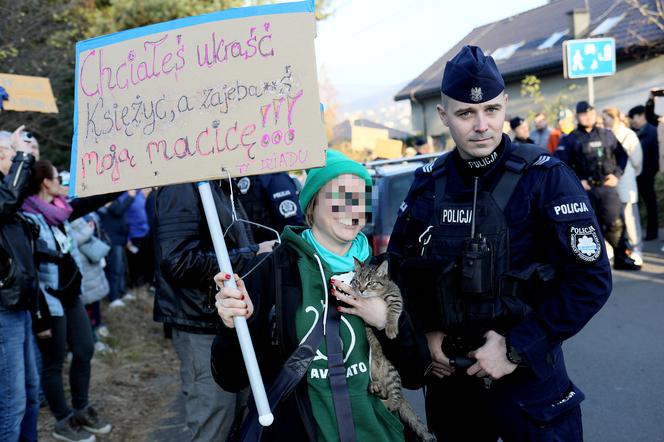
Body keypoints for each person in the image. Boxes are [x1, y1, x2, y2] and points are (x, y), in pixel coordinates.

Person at [387, 45, 612, 441]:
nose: (481, 125)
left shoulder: (545, 178)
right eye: (465, 113)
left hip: (529, 390)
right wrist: (423, 336)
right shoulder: (428, 183)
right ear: (443, 116)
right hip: (451, 389)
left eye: (491, 110)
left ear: (505, 104)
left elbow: (590, 280)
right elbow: (398, 274)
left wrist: (514, 348)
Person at [212, 149, 430, 441]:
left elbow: (416, 373)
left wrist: (385, 321)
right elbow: (230, 377)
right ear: (312, 204)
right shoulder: (273, 271)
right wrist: (233, 325)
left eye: (360, 197)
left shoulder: (385, 270)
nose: (352, 207)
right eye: (339, 196)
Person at [153, 180, 273, 442]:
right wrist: (253, 253)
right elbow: (176, 261)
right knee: (214, 422)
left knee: (239, 417)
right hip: (201, 323)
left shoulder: (222, 184)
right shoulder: (182, 186)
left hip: (229, 322)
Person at [22, 160, 114, 442]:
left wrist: (121, 186)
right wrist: (39, 317)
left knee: (85, 349)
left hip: (71, 296)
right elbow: (30, 269)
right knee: (54, 361)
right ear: (45, 183)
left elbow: (92, 200)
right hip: (49, 301)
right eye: (57, 179)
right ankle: (63, 420)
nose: (63, 183)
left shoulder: (59, 211)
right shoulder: (28, 218)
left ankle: (81, 407)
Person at [556, 101, 640, 270]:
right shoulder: (570, 139)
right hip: (584, 191)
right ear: (578, 116)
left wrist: (616, 175)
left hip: (607, 188)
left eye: (591, 113)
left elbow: (622, 156)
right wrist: (577, 181)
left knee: (615, 224)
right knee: (588, 228)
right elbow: (560, 165)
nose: (589, 117)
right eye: (585, 114)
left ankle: (621, 258)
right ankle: (593, 265)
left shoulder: (606, 134)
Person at [0, 126, 40, 442]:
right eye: (7, 155)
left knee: (29, 393)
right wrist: (22, 158)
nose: (14, 161)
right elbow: (6, 200)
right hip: (3, 310)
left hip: (19, 305)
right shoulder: (5, 198)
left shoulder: (11, 197)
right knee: (10, 404)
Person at [602, 108, 644, 265]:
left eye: (607, 118)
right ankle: (615, 248)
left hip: (626, 183)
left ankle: (636, 249)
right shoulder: (605, 136)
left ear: (615, 118)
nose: (604, 121)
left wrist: (629, 174)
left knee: (630, 218)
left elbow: (637, 161)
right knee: (612, 219)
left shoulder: (628, 134)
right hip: (611, 187)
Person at [235, 172, 305, 243]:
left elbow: (293, 225)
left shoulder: (274, 177)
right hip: (255, 247)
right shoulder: (239, 179)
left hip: (278, 246)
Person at [98, 191, 136, 307]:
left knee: (121, 268)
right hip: (113, 241)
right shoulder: (105, 198)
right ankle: (113, 297)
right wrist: (130, 197)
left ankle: (122, 292)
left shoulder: (116, 198)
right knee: (115, 269)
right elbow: (119, 210)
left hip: (120, 239)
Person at [628, 104, 660, 241]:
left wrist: (650, 172)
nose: (632, 121)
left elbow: (656, 155)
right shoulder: (632, 132)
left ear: (642, 115)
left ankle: (652, 232)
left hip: (647, 175)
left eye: (633, 118)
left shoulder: (653, 131)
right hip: (634, 175)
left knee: (650, 203)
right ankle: (636, 233)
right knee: (634, 205)